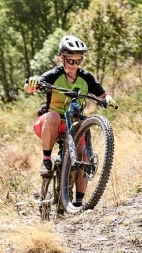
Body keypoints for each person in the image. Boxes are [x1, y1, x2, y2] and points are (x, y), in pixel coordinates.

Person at [25, 35, 117, 205]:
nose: (74, 65)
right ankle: (46, 160)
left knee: (83, 155)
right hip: (52, 124)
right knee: (52, 116)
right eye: (71, 61)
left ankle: (78, 203)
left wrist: (108, 99)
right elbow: (30, 88)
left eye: (78, 61)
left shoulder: (86, 77)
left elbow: (102, 94)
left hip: (74, 124)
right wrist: (32, 82)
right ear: (62, 58)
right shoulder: (54, 74)